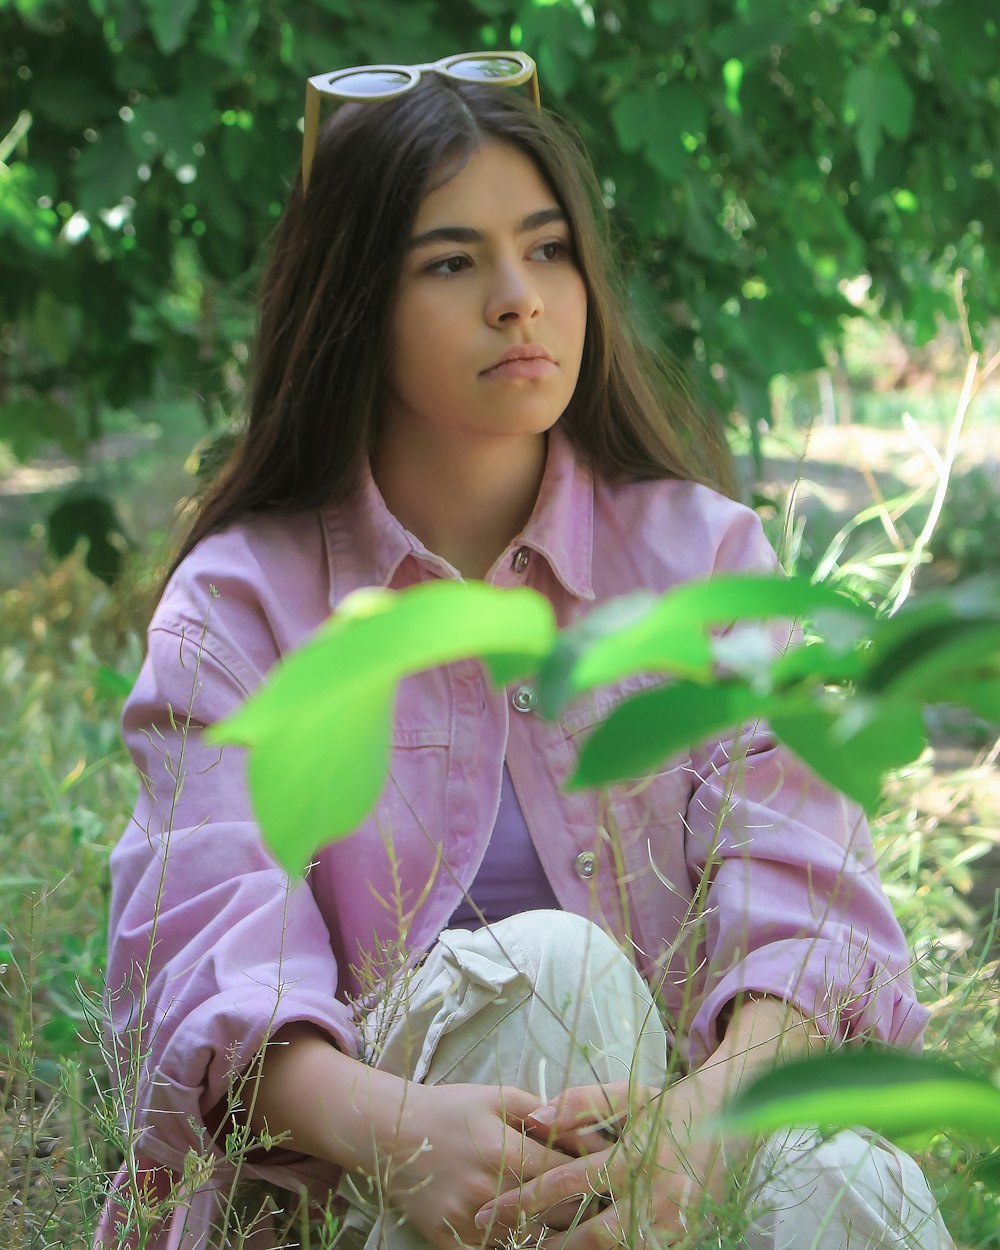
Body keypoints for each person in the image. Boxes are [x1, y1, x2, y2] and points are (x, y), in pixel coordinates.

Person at [97, 54, 955, 1250]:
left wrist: (699, 1128)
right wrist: (402, 1130)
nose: (519, 297)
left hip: (664, 1167)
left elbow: (810, 915)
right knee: (556, 970)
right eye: (452, 262)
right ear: (354, 302)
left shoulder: (705, 561)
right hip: (351, 1192)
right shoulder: (242, 608)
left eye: (547, 249)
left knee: (854, 1182)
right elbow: (203, 963)